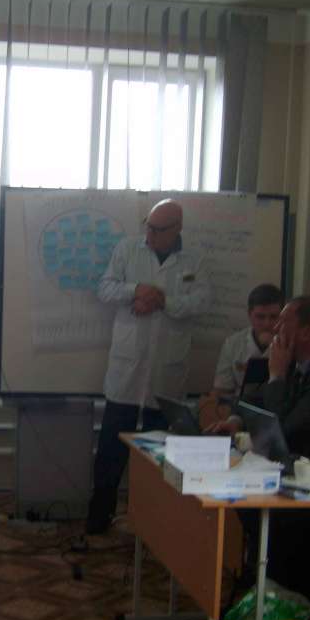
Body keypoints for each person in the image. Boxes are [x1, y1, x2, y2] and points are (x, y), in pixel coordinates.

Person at [86, 198, 212, 534]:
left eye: (158, 230)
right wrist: (137, 291)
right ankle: (99, 518)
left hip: (166, 376)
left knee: (160, 459)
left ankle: (155, 527)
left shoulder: (195, 259)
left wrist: (163, 300)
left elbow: (201, 301)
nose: (150, 235)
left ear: (177, 229)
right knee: (111, 452)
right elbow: (105, 289)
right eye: (149, 226)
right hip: (127, 373)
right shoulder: (128, 249)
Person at [211, 296, 310, 471]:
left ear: (306, 333)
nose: (275, 328)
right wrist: (236, 420)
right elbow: (253, 400)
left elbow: (284, 432)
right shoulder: (295, 361)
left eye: (282, 323)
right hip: (298, 463)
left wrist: (276, 377)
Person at [212, 283, 284, 397]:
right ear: (249, 315)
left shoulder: (291, 342)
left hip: (279, 403)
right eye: (260, 317)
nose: (267, 324)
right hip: (240, 403)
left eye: (273, 317)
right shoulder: (233, 343)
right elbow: (222, 389)